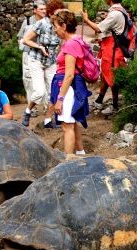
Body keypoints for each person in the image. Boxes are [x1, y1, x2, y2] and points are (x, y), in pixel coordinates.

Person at [50, 9, 91, 155]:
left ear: (64, 26)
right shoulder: (75, 40)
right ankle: (80, 154)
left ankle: (68, 162)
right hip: (68, 87)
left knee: (66, 126)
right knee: (72, 123)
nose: (55, 29)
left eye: (56, 26)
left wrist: (60, 99)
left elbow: (69, 75)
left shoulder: (70, 44)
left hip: (68, 88)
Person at [21, 0, 65, 128]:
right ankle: (27, 111)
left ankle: (48, 120)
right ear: (51, 13)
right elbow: (26, 40)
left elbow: (62, 44)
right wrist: (39, 46)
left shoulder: (60, 25)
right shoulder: (41, 24)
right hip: (36, 60)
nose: (60, 15)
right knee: (40, 92)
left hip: (51, 62)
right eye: (57, 13)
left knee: (54, 92)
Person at [82, 0, 128, 115]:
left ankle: (115, 106)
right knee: (105, 74)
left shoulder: (115, 14)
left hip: (112, 49)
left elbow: (98, 28)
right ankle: (99, 100)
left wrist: (86, 19)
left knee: (111, 75)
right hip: (113, 48)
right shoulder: (121, 11)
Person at [17, 0, 47, 117]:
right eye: (41, 9)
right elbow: (20, 38)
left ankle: (47, 106)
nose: (44, 11)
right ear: (34, 10)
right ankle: (32, 108)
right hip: (29, 55)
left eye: (45, 9)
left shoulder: (49, 22)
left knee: (46, 79)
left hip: (44, 55)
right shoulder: (28, 21)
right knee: (29, 80)